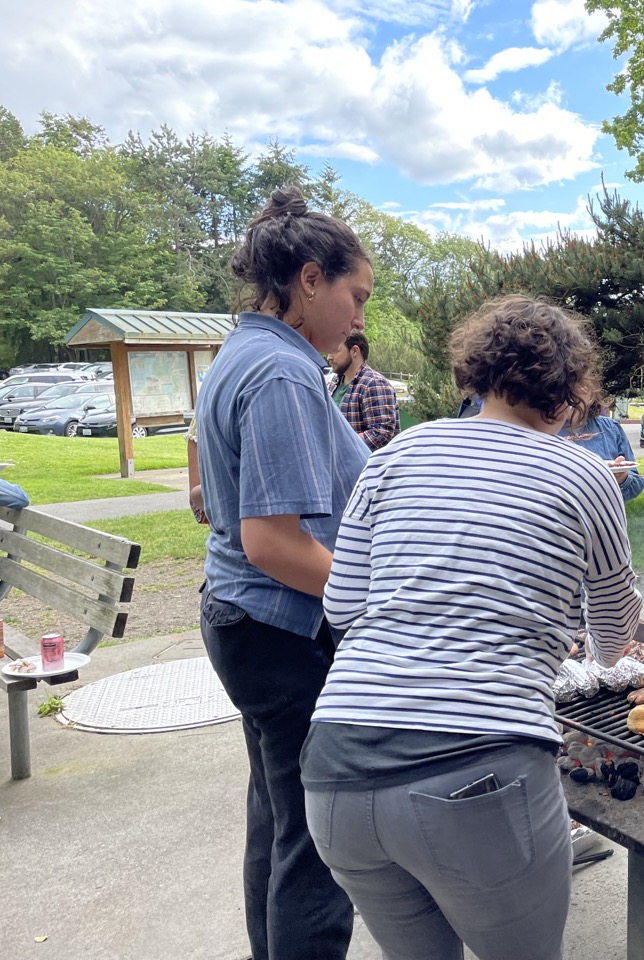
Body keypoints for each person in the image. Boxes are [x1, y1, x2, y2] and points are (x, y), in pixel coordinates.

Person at [301, 294, 643, 960]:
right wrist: (599, 650)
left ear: (476, 371)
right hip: (478, 777)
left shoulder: (399, 453)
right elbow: (611, 623)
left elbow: (342, 609)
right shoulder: (584, 471)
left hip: (336, 771)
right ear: (571, 389)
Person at [196, 186, 373, 960]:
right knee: (318, 843)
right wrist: (376, 598)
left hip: (243, 623)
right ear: (310, 279)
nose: (360, 317)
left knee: (276, 817)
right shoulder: (281, 372)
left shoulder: (245, 353)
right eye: (356, 296)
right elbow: (273, 543)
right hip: (278, 630)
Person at [560, 394, 644, 502]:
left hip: (600, 515)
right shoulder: (542, 429)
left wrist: (622, 479)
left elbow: (637, 484)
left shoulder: (611, 428)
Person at [327, 330, 400, 450]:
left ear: (355, 351)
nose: (329, 357)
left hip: (365, 467)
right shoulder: (334, 382)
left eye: (335, 350)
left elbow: (381, 434)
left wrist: (340, 444)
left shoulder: (374, 383)